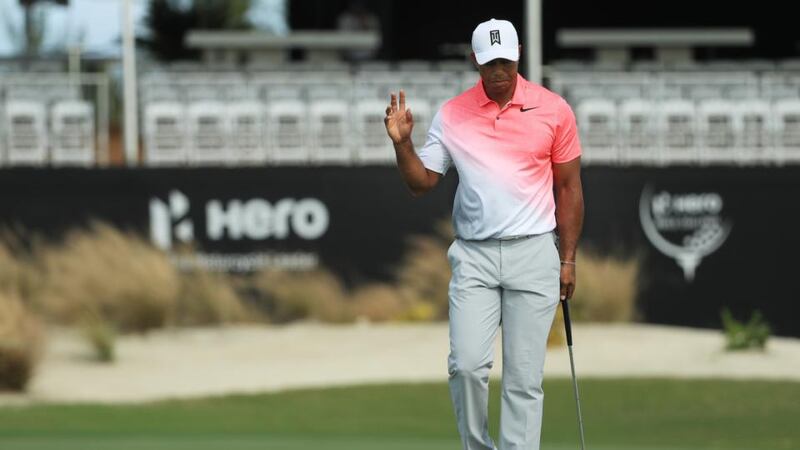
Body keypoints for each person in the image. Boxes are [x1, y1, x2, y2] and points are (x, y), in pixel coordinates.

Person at [383, 18, 584, 450]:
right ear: (475, 60)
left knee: (523, 379)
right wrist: (403, 144)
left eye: (506, 61)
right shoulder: (453, 114)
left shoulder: (553, 109)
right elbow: (422, 183)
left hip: (534, 254)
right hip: (474, 258)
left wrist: (567, 259)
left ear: (518, 56)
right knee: (468, 367)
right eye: (490, 62)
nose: (499, 70)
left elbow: (568, 188)